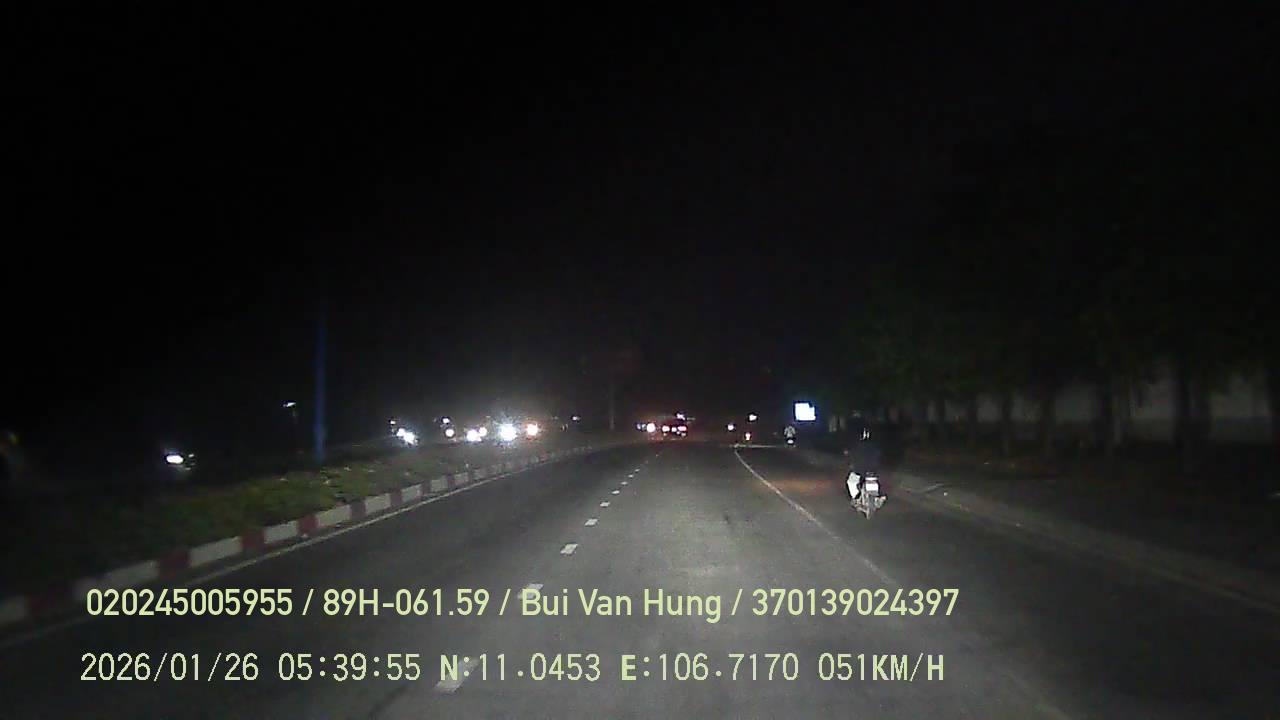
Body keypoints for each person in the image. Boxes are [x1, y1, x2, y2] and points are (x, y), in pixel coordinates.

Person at [844, 426, 883, 507]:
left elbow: (851, 456)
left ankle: (855, 498)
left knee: (851, 482)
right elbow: (878, 456)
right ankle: (877, 497)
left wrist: (851, 463)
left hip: (859, 470)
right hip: (873, 470)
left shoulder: (856, 446)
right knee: (875, 480)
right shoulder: (875, 446)